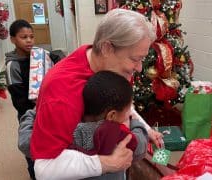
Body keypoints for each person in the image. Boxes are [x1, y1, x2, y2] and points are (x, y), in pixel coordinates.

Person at [30, 8, 163, 179]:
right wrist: (107, 163)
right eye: (134, 59)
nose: (139, 68)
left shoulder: (113, 68)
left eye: (141, 59)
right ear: (107, 48)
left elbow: (123, 104)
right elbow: (44, 168)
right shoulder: (62, 92)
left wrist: (145, 127)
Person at [70, 70, 148, 180]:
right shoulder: (115, 132)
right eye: (127, 111)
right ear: (111, 115)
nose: (128, 114)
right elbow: (140, 147)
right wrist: (135, 123)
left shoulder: (71, 128)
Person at [5, 19, 36, 180]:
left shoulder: (38, 56)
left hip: (46, 109)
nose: (29, 40)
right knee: (31, 149)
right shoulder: (13, 66)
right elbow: (19, 102)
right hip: (28, 114)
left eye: (31, 36)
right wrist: (35, 105)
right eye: (24, 37)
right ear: (12, 39)